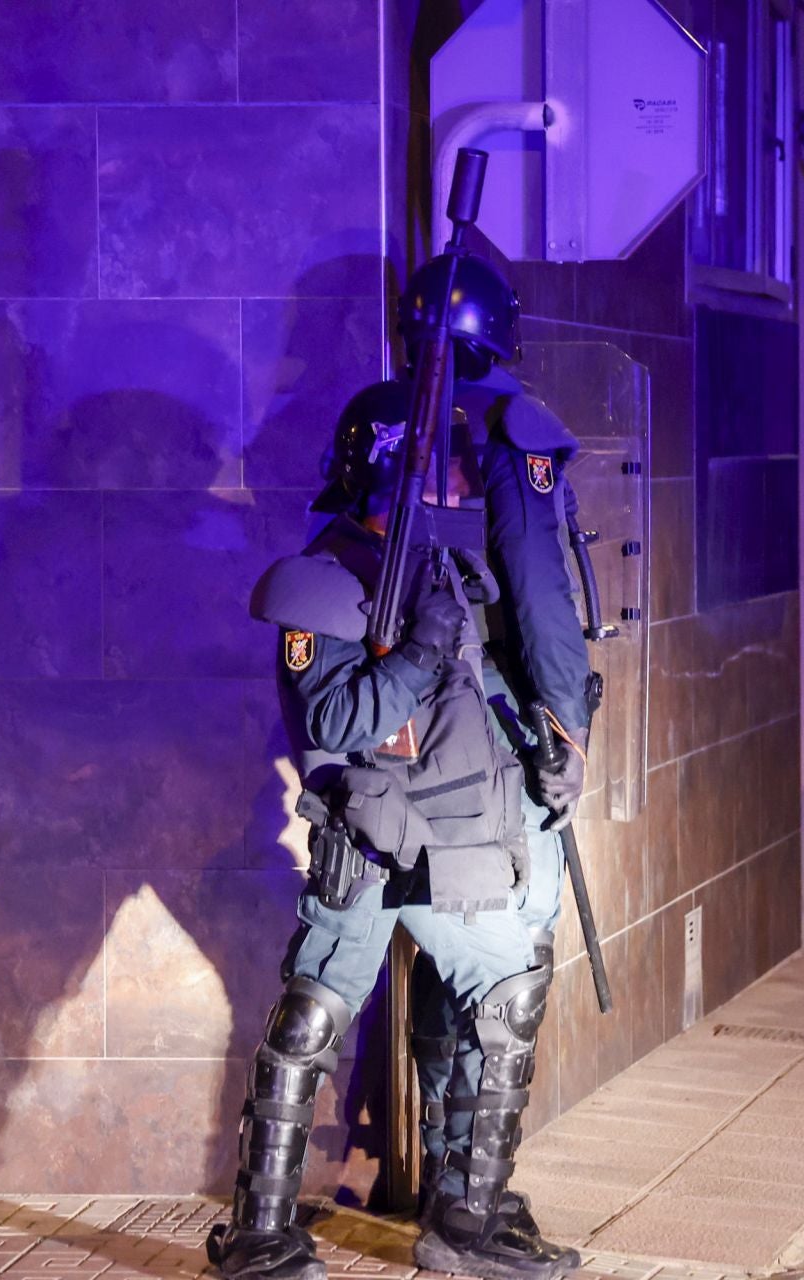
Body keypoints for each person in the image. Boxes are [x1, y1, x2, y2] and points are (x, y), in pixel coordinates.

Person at [208, 255, 580, 1280]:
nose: (451, 482)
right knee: (314, 1017)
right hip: (368, 843)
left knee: (503, 991)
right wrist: (418, 646)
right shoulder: (323, 579)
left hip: (454, 837)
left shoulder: (434, 567)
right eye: (432, 470)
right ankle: (262, 1235)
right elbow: (332, 720)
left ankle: (469, 1213)